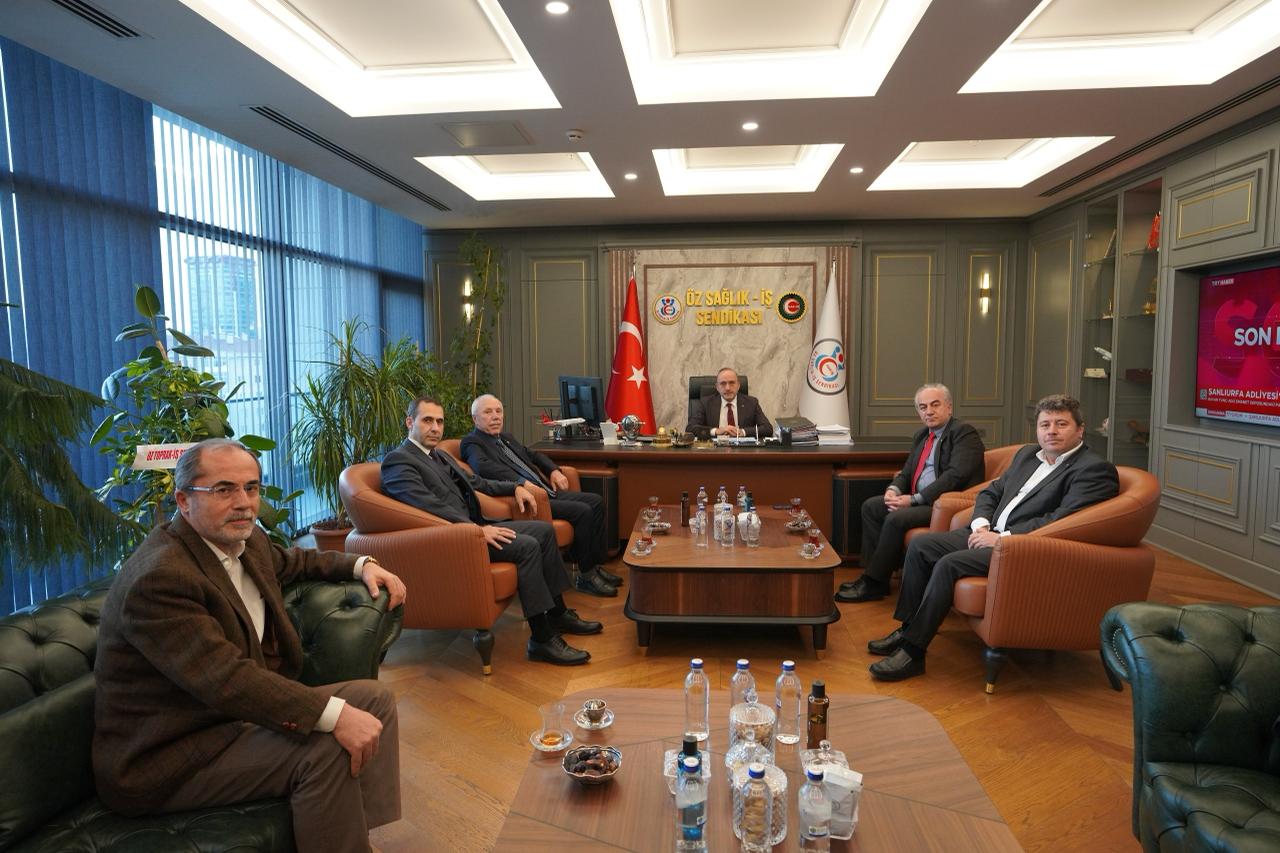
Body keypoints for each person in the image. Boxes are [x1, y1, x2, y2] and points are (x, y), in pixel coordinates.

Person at [93, 439, 407, 852]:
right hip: (172, 754)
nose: (243, 503)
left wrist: (360, 564)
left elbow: (294, 561)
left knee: (374, 700)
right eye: (223, 489)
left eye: (251, 488)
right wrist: (333, 716)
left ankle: (359, 830)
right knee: (326, 745)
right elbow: (226, 679)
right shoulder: (161, 579)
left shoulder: (243, 539)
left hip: (229, 720)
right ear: (184, 501)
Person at [866, 394, 1119, 682]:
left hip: (1023, 547)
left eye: (1061, 424)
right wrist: (981, 526)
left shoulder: (1093, 469)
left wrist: (1003, 539)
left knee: (949, 563)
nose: (1051, 431)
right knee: (922, 545)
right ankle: (907, 629)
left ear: (1080, 430)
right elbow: (991, 492)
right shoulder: (1028, 455)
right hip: (988, 533)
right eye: (1045, 424)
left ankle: (913, 653)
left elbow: (1062, 521)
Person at [382, 397, 601, 666]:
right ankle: (542, 640)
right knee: (528, 546)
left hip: (475, 528)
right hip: (456, 538)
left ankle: (558, 614)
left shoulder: (438, 455)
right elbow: (426, 507)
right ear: (409, 422)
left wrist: (515, 487)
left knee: (544, 532)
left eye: (439, 421)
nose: (435, 428)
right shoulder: (398, 461)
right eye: (427, 420)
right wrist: (475, 530)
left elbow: (477, 482)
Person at [460, 393, 622, 597]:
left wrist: (553, 470)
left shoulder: (505, 437)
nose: (495, 416)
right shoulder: (472, 442)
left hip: (546, 490)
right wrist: (520, 482)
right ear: (475, 418)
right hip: (532, 499)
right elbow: (483, 467)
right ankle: (587, 577)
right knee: (582, 511)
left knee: (596, 502)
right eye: (488, 412)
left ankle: (594, 566)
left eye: (498, 411)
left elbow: (533, 455)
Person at [836, 383, 985, 603]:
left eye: (935, 405)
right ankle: (874, 576)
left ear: (949, 407)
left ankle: (873, 583)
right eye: (923, 407)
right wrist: (893, 489)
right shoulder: (922, 435)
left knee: (896, 518)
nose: (929, 411)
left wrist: (914, 499)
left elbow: (955, 476)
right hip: (920, 499)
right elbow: (907, 471)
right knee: (872, 507)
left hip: (946, 504)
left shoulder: (963, 433)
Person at [686, 367, 774, 438]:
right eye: (723, 383)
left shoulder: (751, 403)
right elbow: (690, 428)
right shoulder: (706, 403)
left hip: (743, 451)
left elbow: (767, 429)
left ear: (738, 385)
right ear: (717, 387)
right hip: (715, 451)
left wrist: (742, 432)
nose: (727, 388)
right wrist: (716, 431)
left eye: (732, 383)